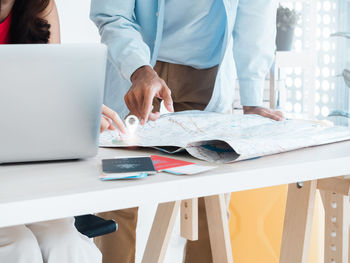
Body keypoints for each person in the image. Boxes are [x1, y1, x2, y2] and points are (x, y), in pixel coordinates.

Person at [91, 0, 284, 262]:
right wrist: (139, 69)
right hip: (135, 68)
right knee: (118, 197)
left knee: (209, 203)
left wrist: (252, 98)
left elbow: (255, 14)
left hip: (207, 75)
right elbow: (111, 14)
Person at [0, 1, 125, 262]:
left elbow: (49, 94)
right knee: (18, 246)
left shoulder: (39, 7)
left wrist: (79, 114)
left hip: (23, 174)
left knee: (64, 242)